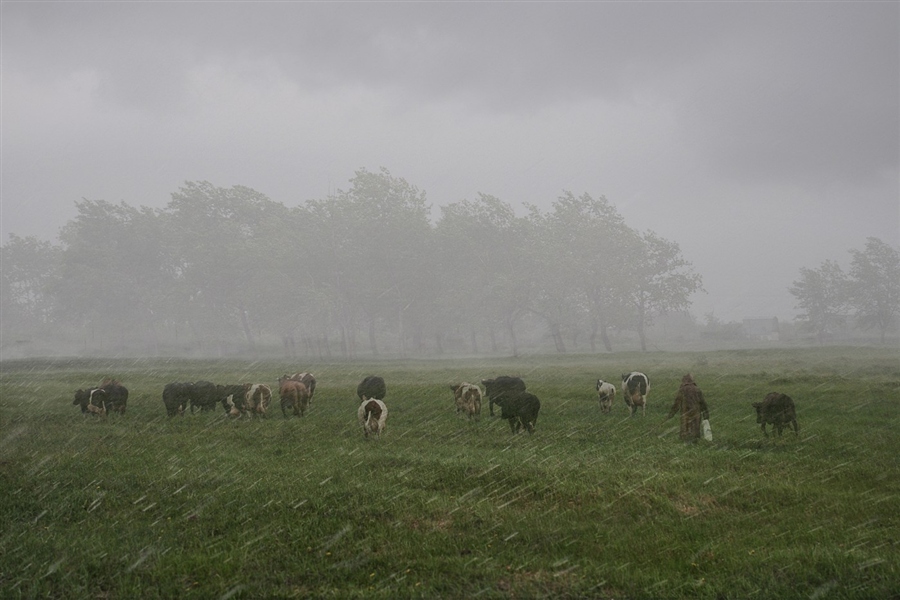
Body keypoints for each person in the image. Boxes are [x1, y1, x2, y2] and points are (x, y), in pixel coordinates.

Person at [666, 374, 710, 443]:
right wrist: (706, 414)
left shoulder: (682, 389)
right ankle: (695, 441)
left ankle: (684, 441)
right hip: (696, 412)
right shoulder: (697, 389)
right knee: (696, 428)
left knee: (685, 429)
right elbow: (703, 403)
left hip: (685, 412)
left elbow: (677, 403)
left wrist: (671, 414)